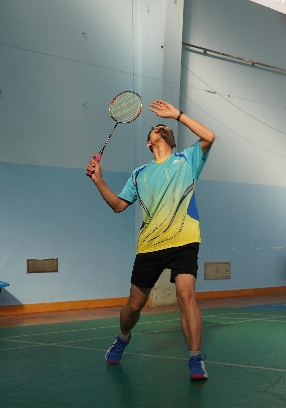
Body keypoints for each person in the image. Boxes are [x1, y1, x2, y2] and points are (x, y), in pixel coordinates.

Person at [87, 99, 215, 380]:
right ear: (148, 143)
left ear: (172, 140)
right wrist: (99, 181)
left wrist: (176, 115)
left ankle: (195, 357)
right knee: (134, 305)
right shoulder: (139, 174)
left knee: (186, 295)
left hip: (184, 240)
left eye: (164, 127)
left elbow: (209, 136)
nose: (161, 127)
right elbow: (118, 205)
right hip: (150, 245)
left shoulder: (187, 161)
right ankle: (123, 336)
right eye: (156, 127)